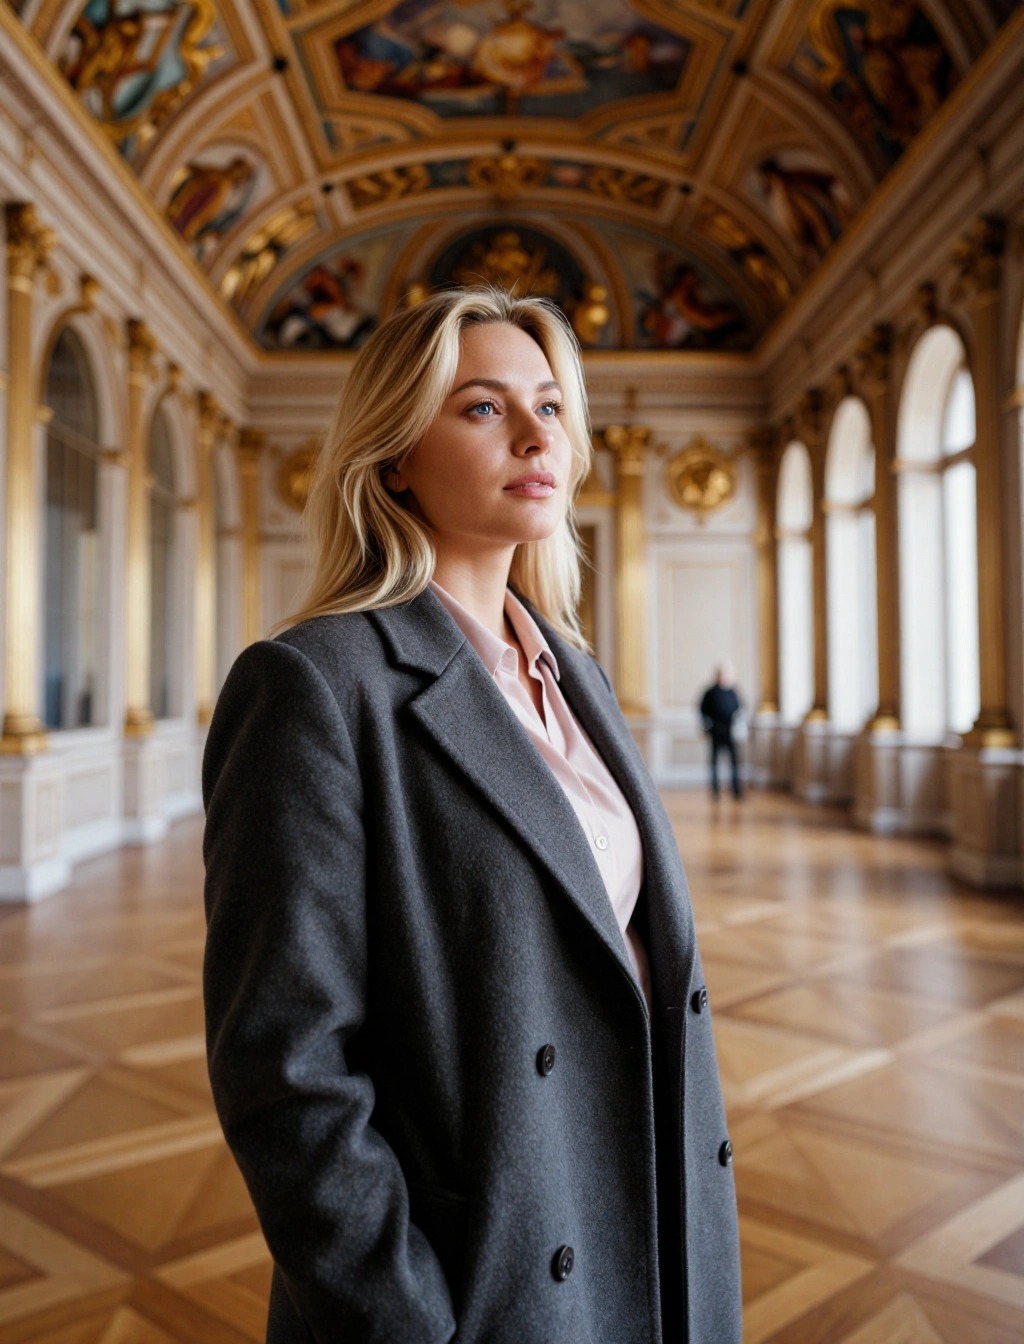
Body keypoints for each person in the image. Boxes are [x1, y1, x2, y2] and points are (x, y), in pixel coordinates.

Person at [202, 287, 741, 1344]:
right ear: (394, 452)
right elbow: (286, 1069)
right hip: (481, 1275)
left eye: (550, 404)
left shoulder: (573, 671)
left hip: (641, 1212)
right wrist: (407, 1321)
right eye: (485, 409)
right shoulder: (314, 685)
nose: (540, 434)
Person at [700, 663, 744, 800]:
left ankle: (736, 790)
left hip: (730, 732)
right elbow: (702, 711)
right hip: (715, 732)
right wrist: (708, 726)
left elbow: (739, 709)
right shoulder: (710, 692)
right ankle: (715, 791)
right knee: (714, 763)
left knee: (734, 762)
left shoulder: (733, 692)